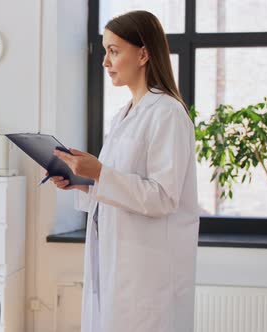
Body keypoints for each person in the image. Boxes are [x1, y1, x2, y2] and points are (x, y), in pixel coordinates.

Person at [50, 11, 199, 332]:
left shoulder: (167, 114)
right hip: (118, 262)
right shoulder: (124, 115)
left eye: (114, 51)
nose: (105, 61)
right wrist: (83, 183)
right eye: (105, 51)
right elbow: (124, 189)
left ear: (143, 54)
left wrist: (100, 173)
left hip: (149, 270)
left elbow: (162, 197)